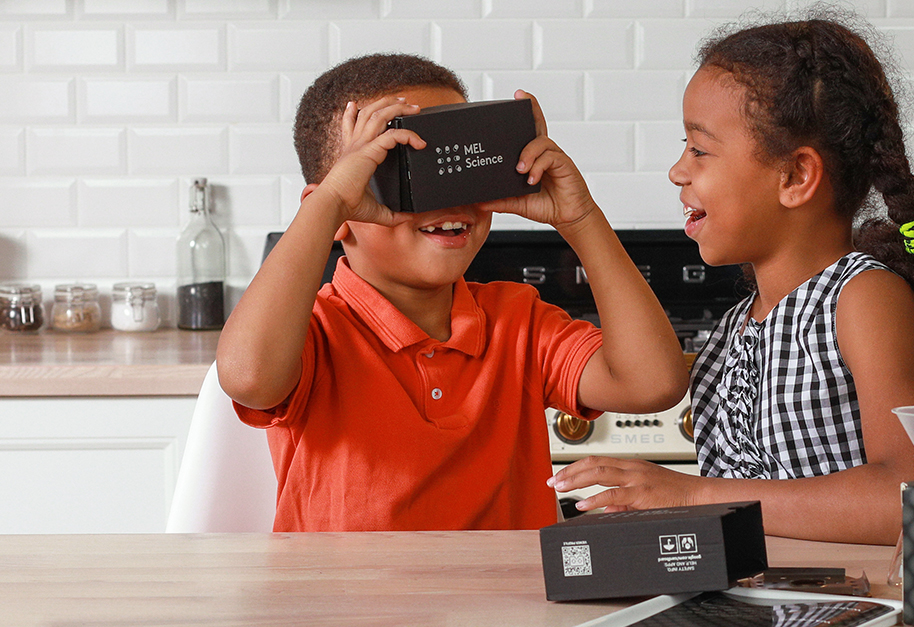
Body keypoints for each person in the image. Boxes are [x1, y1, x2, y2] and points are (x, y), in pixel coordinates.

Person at [548, 12, 914, 546]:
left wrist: (689, 494)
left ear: (796, 176)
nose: (677, 170)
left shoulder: (864, 297)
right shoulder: (740, 322)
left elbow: (909, 496)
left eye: (699, 149)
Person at [215, 54, 688, 532]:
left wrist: (581, 220)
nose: (448, 198)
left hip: (509, 603)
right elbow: (250, 378)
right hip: (349, 603)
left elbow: (652, 385)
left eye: (455, 165)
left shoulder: (517, 319)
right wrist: (330, 203)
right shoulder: (314, 333)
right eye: (401, 170)